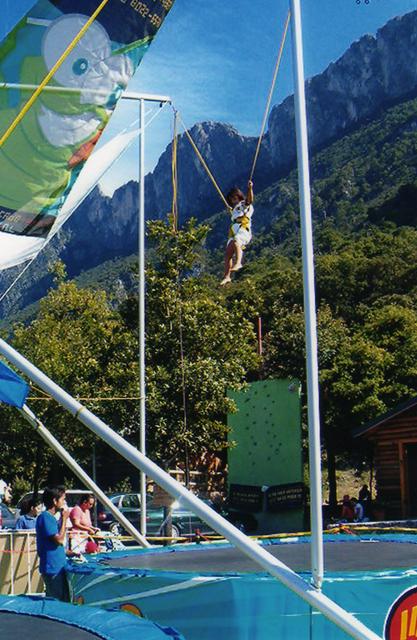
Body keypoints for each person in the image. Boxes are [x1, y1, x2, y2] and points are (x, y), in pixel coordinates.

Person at [35, 486, 70, 601]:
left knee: (64, 599)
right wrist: (64, 518)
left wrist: (68, 552)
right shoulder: (45, 518)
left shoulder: (51, 518)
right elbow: (59, 539)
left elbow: (54, 544)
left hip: (59, 566)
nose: (64, 502)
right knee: (56, 601)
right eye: (63, 499)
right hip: (52, 568)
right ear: (55, 501)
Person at [220, 180, 254, 286]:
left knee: (236, 242)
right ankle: (227, 276)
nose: (234, 201)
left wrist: (250, 188)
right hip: (234, 232)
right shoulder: (234, 209)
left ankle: (238, 263)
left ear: (239, 197)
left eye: (235, 198)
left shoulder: (244, 204)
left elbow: (250, 200)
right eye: (231, 199)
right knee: (228, 254)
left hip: (243, 230)